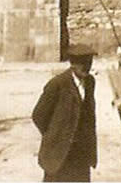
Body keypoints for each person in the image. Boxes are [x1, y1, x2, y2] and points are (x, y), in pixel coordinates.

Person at [32, 43, 97, 182]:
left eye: (89, 62)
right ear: (72, 64)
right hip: (59, 153)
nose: (87, 67)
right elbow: (38, 115)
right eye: (83, 64)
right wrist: (56, 134)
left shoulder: (90, 82)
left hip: (81, 152)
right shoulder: (57, 84)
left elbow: (89, 115)